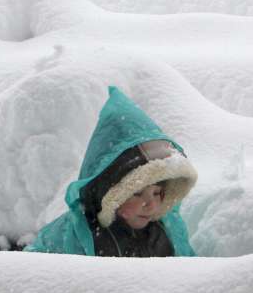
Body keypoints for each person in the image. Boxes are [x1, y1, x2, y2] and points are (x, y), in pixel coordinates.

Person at [24, 86, 197, 257]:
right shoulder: (75, 233)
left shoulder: (167, 230)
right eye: (137, 193)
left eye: (157, 192)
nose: (150, 204)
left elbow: (189, 271)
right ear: (108, 193)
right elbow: (34, 270)